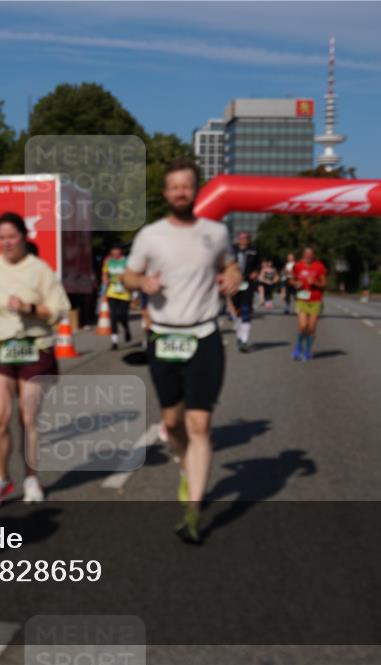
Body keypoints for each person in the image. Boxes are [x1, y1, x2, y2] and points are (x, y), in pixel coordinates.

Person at [123, 158, 241, 545]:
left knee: (200, 425)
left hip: (205, 335)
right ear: (165, 193)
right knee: (172, 423)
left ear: (196, 189)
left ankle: (193, 512)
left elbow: (231, 266)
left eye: (186, 186)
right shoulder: (150, 235)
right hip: (165, 336)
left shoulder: (216, 232)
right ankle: (184, 464)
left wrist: (232, 277)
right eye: (173, 187)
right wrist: (143, 281)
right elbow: (128, 274)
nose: (180, 192)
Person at [0, 212, 71, 509]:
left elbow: (60, 309)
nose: (7, 243)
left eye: (12, 237)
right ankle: (0, 479)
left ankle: (31, 477)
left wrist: (29, 307)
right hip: (1, 346)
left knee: (28, 418)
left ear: (24, 236)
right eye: (1, 237)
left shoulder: (40, 269)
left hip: (35, 346)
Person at [291, 246, 328, 362]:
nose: (308, 255)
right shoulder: (297, 266)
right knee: (303, 326)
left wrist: (316, 283)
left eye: (310, 253)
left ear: (313, 255)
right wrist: (296, 283)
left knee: (311, 328)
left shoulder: (319, 266)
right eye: (306, 253)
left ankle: (307, 351)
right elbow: (291, 279)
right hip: (302, 299)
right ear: (303, 254)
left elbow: (324, 284)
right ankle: (298, 347)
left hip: (316, 300)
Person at [230, 231, 260, 353]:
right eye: (241, 238)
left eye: (246, 238)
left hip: (248, 283)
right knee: (237, 310)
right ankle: (239, 334)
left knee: (246, 310)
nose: (243, 240)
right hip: (235, 283)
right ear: (238, 239)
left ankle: (244, 340)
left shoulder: (254, 250)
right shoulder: (231, 249)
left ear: (249, 239)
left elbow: (258, 265)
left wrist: (256, 272)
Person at [101, 243, 133, 350]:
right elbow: (105, 274)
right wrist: (104, 284)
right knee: (113, 316)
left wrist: (124, 278)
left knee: (122, 315)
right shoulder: (108, 261)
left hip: (125, 293)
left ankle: (126, 329)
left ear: (121, 251)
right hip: (112, 292)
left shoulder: (127, 261)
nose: (115, 252)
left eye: (117, 250)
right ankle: (114, 342)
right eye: (113, 250)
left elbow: (132, 275)